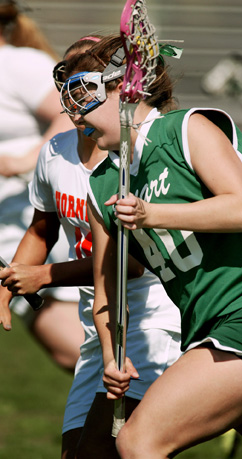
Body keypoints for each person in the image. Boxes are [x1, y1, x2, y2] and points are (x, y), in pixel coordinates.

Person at [0, 35, 182, 458]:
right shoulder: (55, 153)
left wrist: (43, 276)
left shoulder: (132, 158)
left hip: (153, 320)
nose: (81, 91)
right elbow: (41, 230)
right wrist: (8, 287)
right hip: (98, 323)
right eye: (72, 78)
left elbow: (130, 263)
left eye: (93, 78)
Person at [61, 33, 242, 457]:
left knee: (140, 440)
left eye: (83, 94)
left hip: (237, 318)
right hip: (206, 329)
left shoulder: (185, 129)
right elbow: (107, 292)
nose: (73, 115)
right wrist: (111, 357)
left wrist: (153, 214)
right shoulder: (103, 184)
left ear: (123, 88)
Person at [0, 0, 82, 371]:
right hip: (6, 231)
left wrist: (19, 161)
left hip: (27, 226)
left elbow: (75, 111)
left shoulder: (17, 63)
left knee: (79, 352)